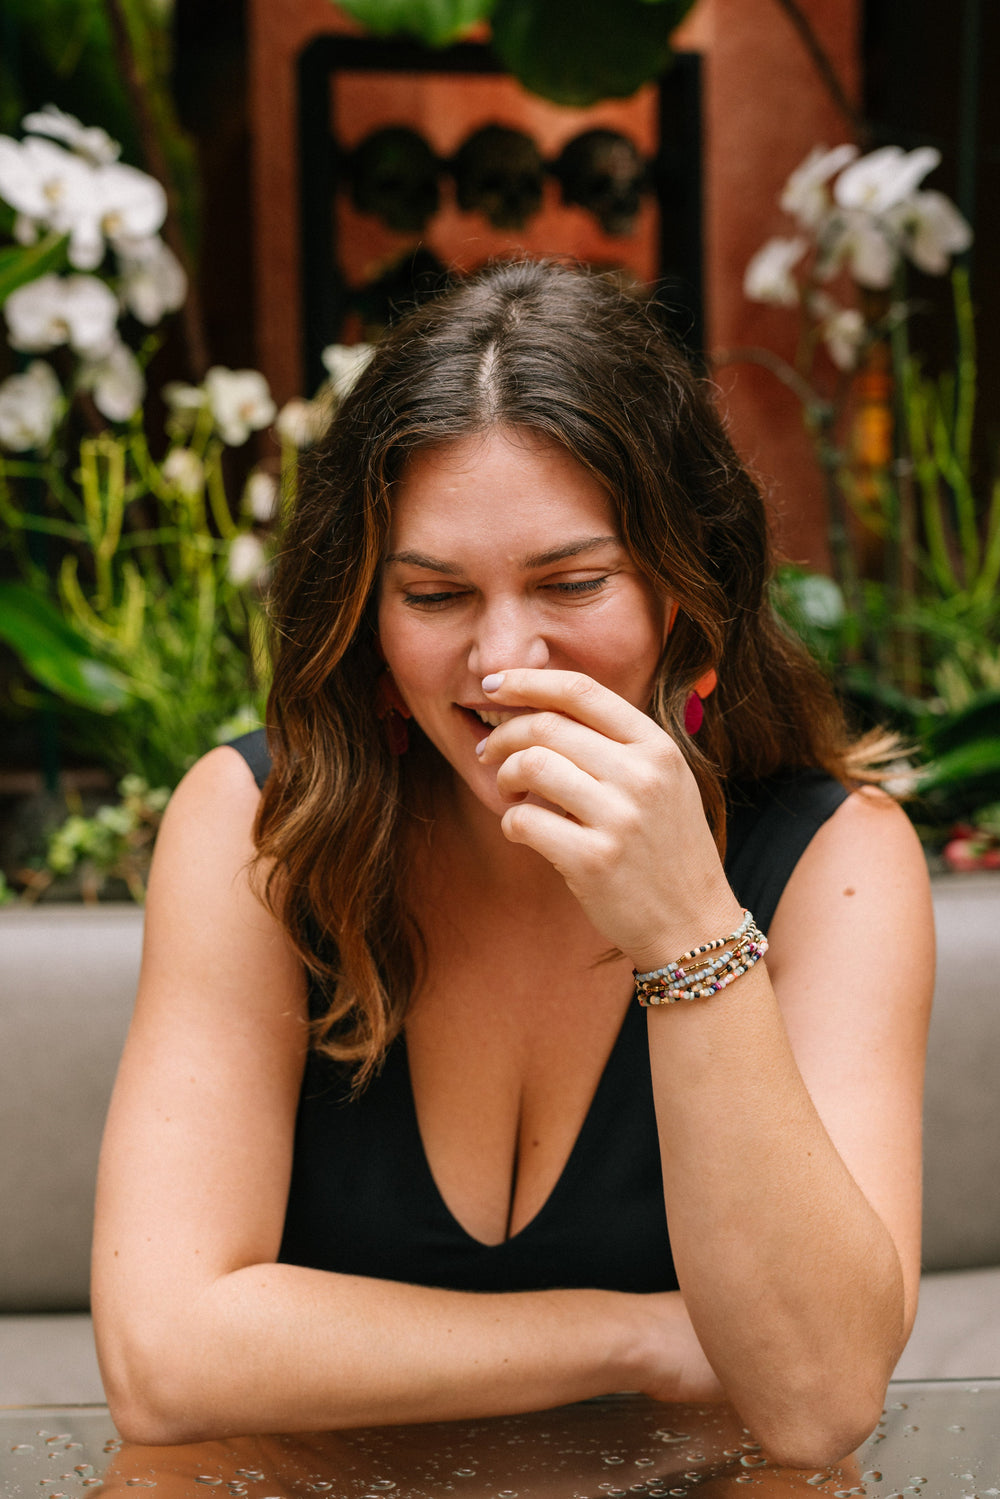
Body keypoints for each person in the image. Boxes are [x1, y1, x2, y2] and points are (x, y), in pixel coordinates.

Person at [91, 260, 934, 1465]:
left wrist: (689, 925)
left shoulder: (835, 862)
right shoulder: (255, 827)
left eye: (572, 582)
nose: (500, 659)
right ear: (366, 619)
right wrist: (637, 1339)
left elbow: (815, 1398)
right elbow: (167, 1360)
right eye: (434, 594)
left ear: (687, 595)